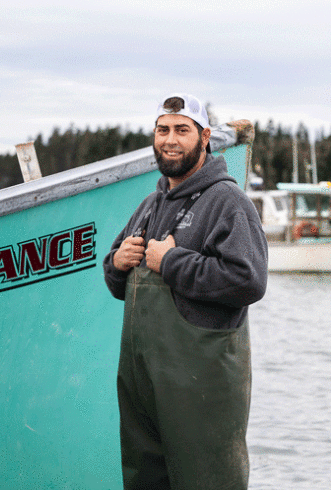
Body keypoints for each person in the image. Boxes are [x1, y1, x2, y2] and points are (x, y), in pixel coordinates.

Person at [103, 93, 268, 489]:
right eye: (163, 130)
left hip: (203, 392)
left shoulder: (228, 202)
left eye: (182, 130)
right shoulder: (148, 204)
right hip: (143, 384)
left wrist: (171, 262)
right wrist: (116, 264)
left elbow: (249, 280)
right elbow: (117, 283)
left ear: (205, 136)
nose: (170, 140)